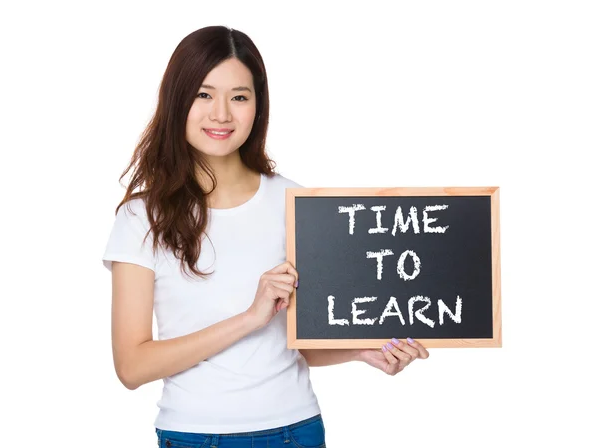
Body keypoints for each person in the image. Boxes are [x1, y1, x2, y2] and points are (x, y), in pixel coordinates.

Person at [102, 25, 429, 448]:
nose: (221, 113)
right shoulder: (141, 217)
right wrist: (248, 318)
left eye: (239, 96)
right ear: (176, 100)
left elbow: (296, 342)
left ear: (258, 106)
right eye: (204, 94)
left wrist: (359, 350)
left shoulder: (294, 201)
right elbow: (132, 366)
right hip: (195, 436)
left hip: (297, 430)